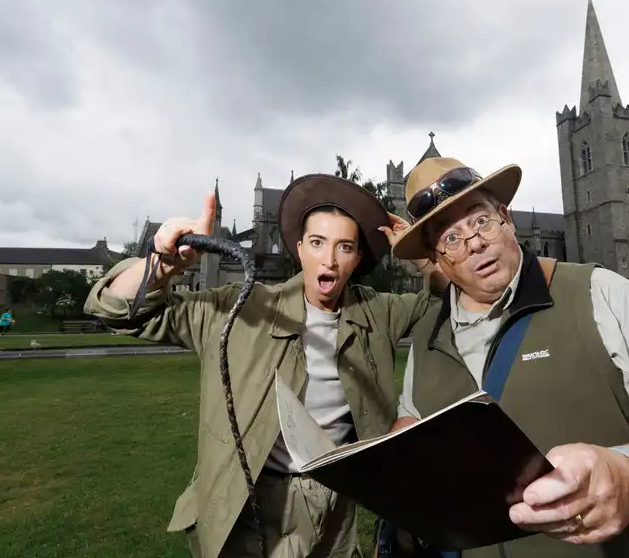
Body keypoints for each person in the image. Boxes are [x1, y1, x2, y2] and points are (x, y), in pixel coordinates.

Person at [388, 157, 629, 558]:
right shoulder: (427, 333)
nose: (475, 242)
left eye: (480, 220)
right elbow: (412, 418)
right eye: (451, 238)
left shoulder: (598, 293)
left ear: (506, 217)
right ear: (437, 258)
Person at [84, 174, 446, 558]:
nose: (330, 259)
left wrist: (421, 255)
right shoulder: (241, 309)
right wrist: (165, 265)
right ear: (299, 247)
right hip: (250, 506)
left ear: (356, 259)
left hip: (336, 508)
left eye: (345, 247)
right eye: (318, 243)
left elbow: (445, 302)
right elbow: (117, 311)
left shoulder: (378, 312)